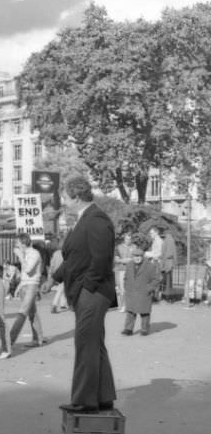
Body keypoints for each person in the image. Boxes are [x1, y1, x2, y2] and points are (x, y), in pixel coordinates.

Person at [52, 173, 117, 413]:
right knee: (94, 344)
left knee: (85, 346)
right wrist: (54, 278)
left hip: (93, 291)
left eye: (66, 198)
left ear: (77, 196)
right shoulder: (85, 218)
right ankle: (103, 396)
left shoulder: (96, 219)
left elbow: (101, 259)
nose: (64, 203)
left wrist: (86, 287)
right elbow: (75, 257)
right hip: (88, 290)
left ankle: (84, 400)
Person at [9, 233, 45, 350]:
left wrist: (20, 256)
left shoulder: (34, 254)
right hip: (26, 285)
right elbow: (25, 275)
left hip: (31, 286)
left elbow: (29, 270)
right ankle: (38, 339)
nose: (16, 245)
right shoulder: (26, 254)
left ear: (23, 243)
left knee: (22, 312)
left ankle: (9, 342)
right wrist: (19, 286)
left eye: (17, 243)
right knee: (32, 313)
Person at [121, 241, 161, 336]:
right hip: (131, 292)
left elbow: (156, 279)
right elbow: (126, 277)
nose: (137, 258)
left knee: (144, 312)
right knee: (130, 311)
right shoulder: (129, 265)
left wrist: (149, 288)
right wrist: (127, 287)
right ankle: (128, 329)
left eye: (139, 256)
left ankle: (144, 329)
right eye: (135, 256)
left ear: (142, 256)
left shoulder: (150, 266)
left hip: (144, 292)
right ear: (133, 256)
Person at [114, 231, 134, 312]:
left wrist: (124, 260)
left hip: (131, 270)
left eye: (129, 239)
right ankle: (122, 305)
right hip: (121, 270)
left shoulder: (135, 247)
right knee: (122, 289)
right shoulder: (118, 247)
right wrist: (127, 260)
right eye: (126, 239)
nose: (128, 241)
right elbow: (116, 260)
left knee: (131, 289)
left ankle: (130, 306)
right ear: (124, 239)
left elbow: (136, 259)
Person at [160, 229, 177, 302]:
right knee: (168, 280)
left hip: (167, 262)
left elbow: (167, 253)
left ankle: (168, 297)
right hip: (169, 262)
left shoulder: (168, 240)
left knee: (167, 280)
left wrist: (163, 260)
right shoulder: (170, 239)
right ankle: (169, 297)